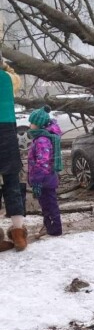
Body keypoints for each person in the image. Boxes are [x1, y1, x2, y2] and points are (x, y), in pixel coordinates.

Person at [0, 57, 27, 252]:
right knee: (12, 183)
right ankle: (18, 234)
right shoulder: (9, 79)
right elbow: (17, 79)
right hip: (7, 132)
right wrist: (5, 66)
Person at [27, 105, 63, 238]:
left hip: (44, 178)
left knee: (49, 203)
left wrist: (36, 179)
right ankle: (49, 226)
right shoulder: (41, 137)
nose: (30, 125)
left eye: (32, 123)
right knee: (46, 203)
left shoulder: (42, 140)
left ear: (39, 124)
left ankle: (55, 228)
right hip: (46, 177)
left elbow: (43, 162)